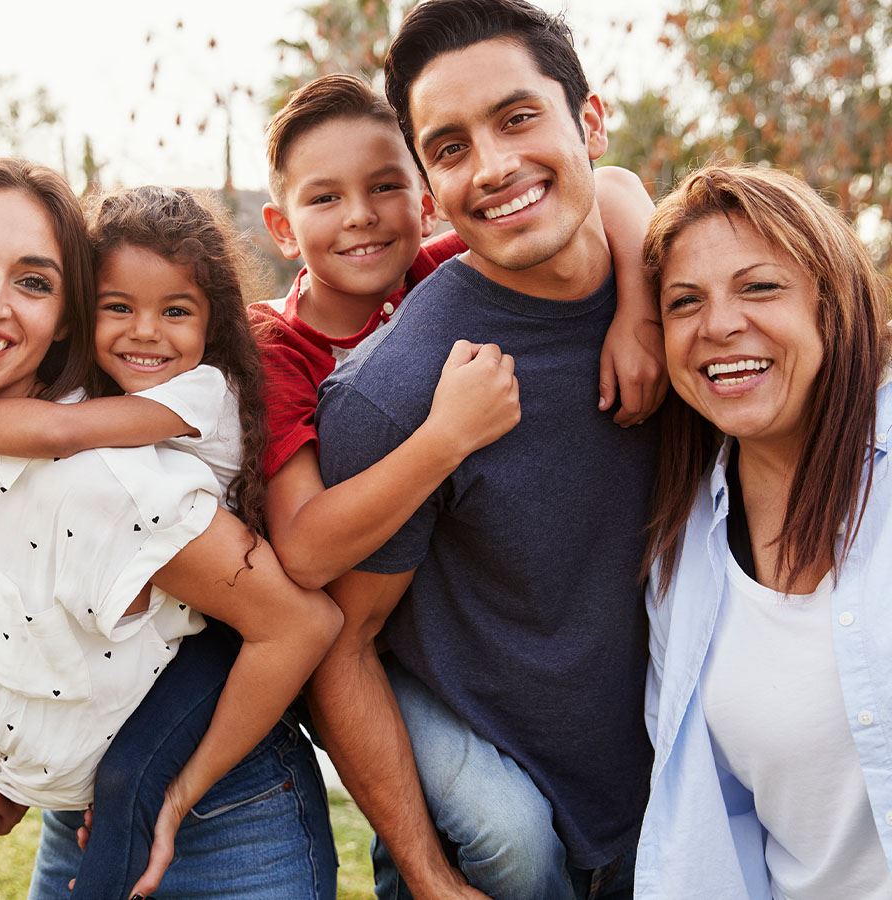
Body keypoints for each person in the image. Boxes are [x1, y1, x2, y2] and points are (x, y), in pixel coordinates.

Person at [0, 167, 342, 900]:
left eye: (34, 282)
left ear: (63, 318)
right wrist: (1, 777)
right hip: (73, 793)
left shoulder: (112, 471)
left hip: (228, 807)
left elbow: (60, 434)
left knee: (129, 786)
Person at [311, 1, 662, 897]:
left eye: (517, 118)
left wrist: (646, 305)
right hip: (502, 858)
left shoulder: (681, 303)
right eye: (453, 146)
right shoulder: (398, 396)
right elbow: (343, 647)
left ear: (589, 121)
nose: (496, 166)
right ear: (430, 184)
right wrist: (428, 871)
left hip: (676, 812)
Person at [253, 73, 663, 591]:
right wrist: (448, 436)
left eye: (384, 187)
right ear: (284, 229)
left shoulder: (440, 273)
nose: (361, 216)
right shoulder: (272, 344)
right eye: (324, 199)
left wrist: (640, 315)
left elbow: (611, 184)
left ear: (427, 206)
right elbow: (303, 551)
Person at [636, 164, 892, 898]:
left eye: (759, 287)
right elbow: (719, 826)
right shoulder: (677, 564)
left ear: (831, 302)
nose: (719, 325)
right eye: (686, 302)